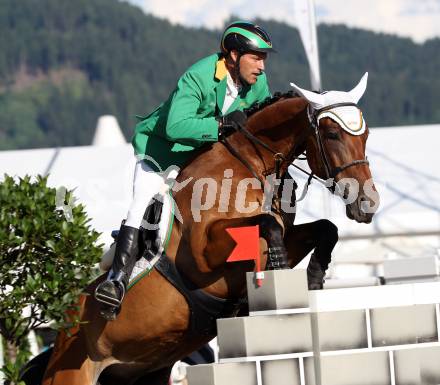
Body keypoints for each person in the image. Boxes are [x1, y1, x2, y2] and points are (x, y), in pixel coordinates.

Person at [94, 21, 275, 320]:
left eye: (264, 58)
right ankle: (116, 281)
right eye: (256, 57)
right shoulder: (199, 76)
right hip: (162, 151)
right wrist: (221, 125)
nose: (261, 66)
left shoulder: (258, 85)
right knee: (144, 199)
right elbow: (175, 126)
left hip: (204, 158)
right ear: (233, 54)